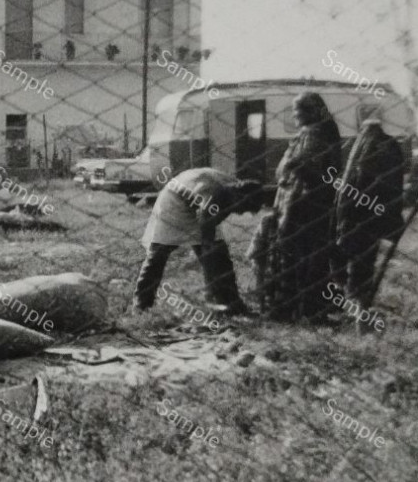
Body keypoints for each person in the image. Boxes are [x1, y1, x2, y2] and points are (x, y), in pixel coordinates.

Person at [134, 167, 264, 314]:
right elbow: (206, 224)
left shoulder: (234, 189)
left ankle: (230, 303)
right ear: (239, 198)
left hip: (197, 202)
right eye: (244, 208)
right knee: (159, 252)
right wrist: (208, 251)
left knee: (220, 257)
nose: (241, 213)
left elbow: (213, 218)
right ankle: (142, 303)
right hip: (174, 201)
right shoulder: (216, 194)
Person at [267, 91, 344, 322]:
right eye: (294, 110)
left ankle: (298, 309)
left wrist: (292, 164)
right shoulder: (311, 133)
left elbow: (306, 168)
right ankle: (301, 308)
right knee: (303, 257)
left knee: (301, 258)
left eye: (299, 110)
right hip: (301, 203)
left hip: (305, 205)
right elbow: (288, 169)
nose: (295, 115)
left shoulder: (316, 134)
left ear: (312, 111)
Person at [335, 115, 405, 324]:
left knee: (353, 255)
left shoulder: (362, 145)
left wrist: (345, 209)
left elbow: (356, 179)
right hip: (375, 212)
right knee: (365, 256)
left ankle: (355, 300)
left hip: (357, 212)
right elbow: (394, 184)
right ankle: (359, 298)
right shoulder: (390, 145)